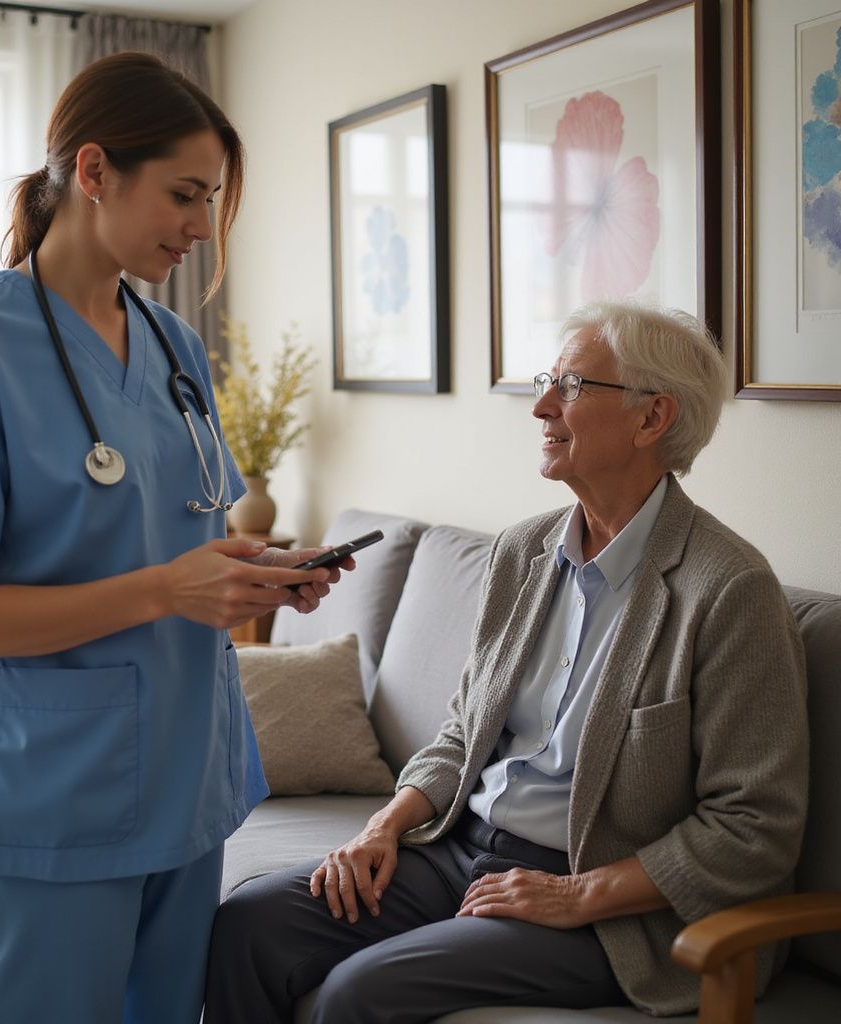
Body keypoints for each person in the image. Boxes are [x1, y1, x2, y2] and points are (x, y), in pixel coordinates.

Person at [0, 52, 346, 1024]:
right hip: (53, 791)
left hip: (188, 770)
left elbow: (184, 534)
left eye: (209, 199)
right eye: (183, 194)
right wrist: (170, 590)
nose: (202, 226)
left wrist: (259, 577)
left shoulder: (172, 345)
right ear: (92, 172)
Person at [204, 301, 810, 1022]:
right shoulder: (522, 552)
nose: (542, 406)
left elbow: (756, 829)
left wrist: (576, 894)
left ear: (654, 419)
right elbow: (462, 731)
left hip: (605, 902)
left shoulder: (729, 590)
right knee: (248, 926)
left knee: (358, 995)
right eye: (546, 380)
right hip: (460, 848)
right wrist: (383, 827)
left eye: (574, 387)